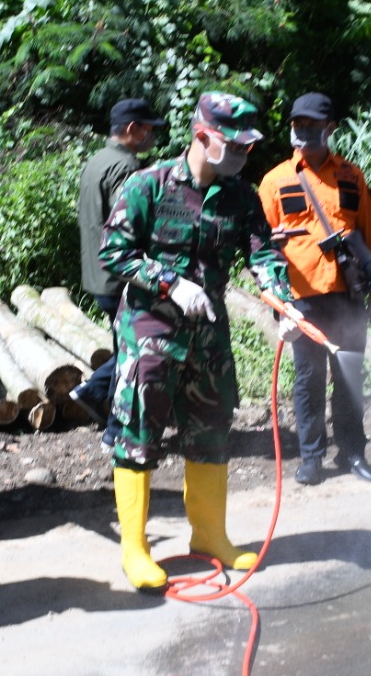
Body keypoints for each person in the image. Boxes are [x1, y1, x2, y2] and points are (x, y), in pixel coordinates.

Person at [99, 91, 293, 590]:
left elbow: (262, 254)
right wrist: (170, 282)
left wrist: (281, 300)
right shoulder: (148, 185)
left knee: (210, 430)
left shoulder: (240, 196)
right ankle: (136, 550)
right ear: (203, 137)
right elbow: (114, 254)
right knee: (138, 434)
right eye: (235, 146)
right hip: (150, 332)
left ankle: (210, 536)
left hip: (207, 335)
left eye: (248, 148)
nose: (243, 155)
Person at [258, 92, 371, 486]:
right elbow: (259, 248)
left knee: (349, 379)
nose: (305, 131)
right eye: (299, 124)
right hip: (301, 300)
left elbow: (369, 235)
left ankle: (353, 453)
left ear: (330, 128)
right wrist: (278, 302)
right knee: (307, 381)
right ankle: (311, 456)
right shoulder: (275, 180)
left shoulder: (351, 176)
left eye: (314, 125)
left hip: (348, 296)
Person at [69, 98, 166, 441]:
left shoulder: (97, 160)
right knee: (134, 355)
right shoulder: (124, 167)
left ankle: (94, 397)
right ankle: (114, 426)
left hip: (99, 274)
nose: (153, 135)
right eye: (149, 129)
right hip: (120, 276)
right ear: (132, 130)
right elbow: (131, 225)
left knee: (128, 350)